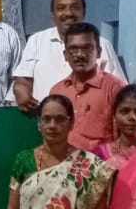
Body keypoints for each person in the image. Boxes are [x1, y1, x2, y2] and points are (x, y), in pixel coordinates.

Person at [13, 0, 125, 110]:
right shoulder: (36, 41)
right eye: (61, 8)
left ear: (84, 12)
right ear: (53, 14)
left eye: (75, 7)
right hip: (46, 118)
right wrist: (20, 90)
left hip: (88, 117)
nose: (68, 13)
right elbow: (23, 80)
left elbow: (121, 92)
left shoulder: (102, 44)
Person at [47, 23, 127, 151]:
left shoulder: (116, 88)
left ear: (98, 52)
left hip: (102, 162)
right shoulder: (57, 91)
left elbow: (126, 141)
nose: (80, 54)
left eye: (87, 48)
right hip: (62, 162)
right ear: (65, 55)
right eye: (73, 49)